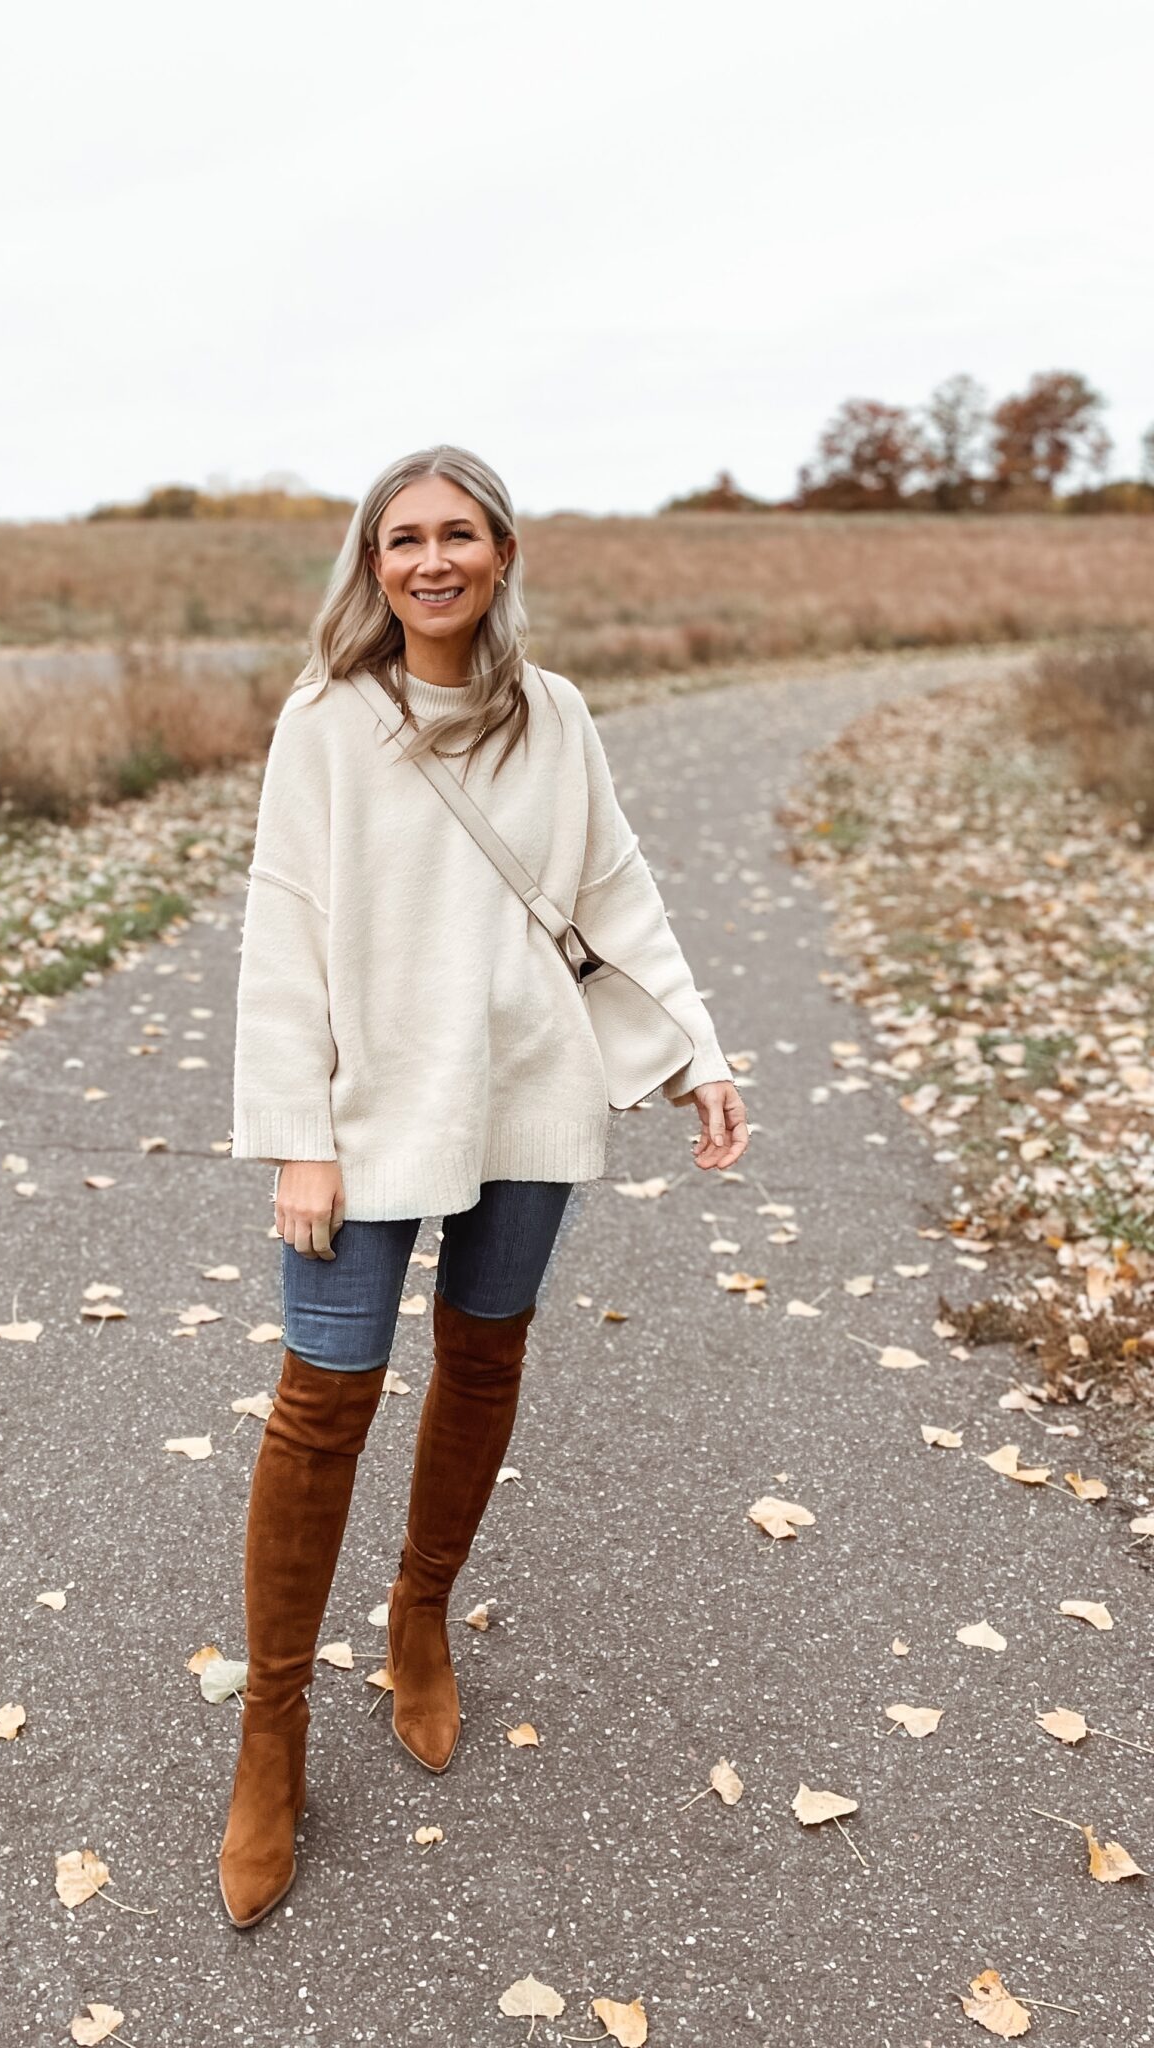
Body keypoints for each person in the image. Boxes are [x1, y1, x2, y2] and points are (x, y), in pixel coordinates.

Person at [217, 443, 750, 1927]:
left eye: (461, 535)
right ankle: (272, 1732)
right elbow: (282, 936)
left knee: (485, 1352)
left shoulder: (555, 717)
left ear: (503, 554)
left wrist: (699, 1051)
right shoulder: (325, 722)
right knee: (322, 1397)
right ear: (372, 564)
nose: (433, 561)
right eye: (406, 539)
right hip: (368, 1106)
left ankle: (421, 1612)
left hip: (528, 1091)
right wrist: (299, 1135)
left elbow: (617, 889)